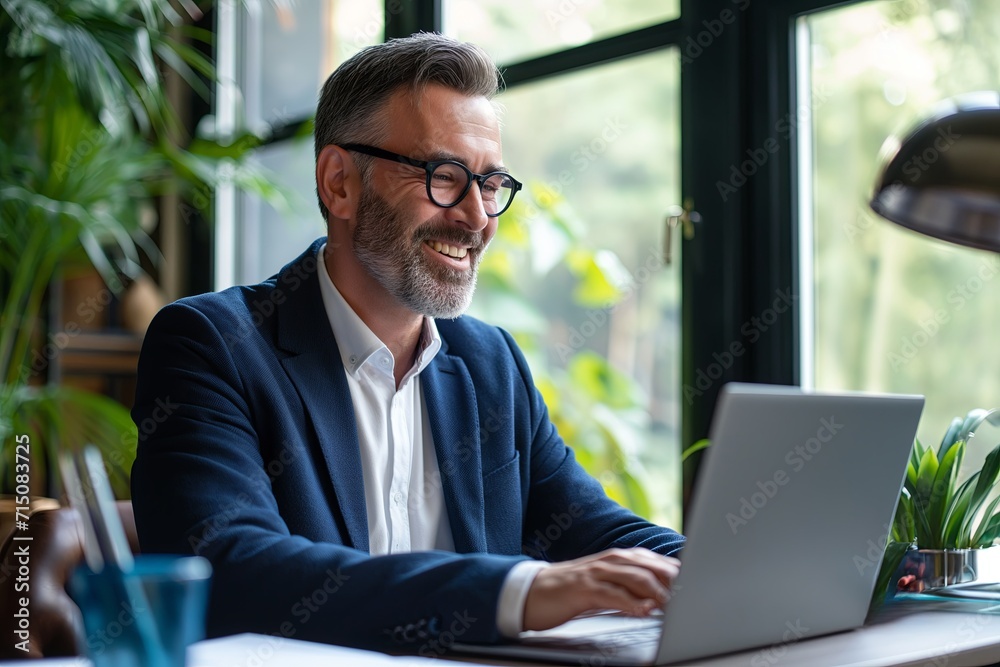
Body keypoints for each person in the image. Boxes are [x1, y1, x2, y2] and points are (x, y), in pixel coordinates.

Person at [130, 32, 684, 655]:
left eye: (491, 182)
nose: (476, 217)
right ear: (339, 182)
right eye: (444, 176)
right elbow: (229, 572)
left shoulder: (489, 363)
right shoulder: (212, 345)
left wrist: (720, 572)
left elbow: (594, 530)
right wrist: (520, 592)